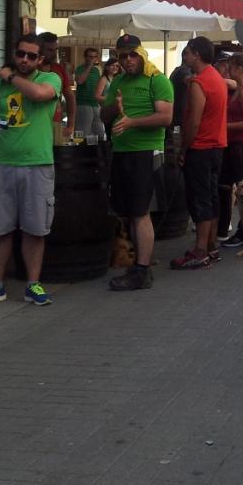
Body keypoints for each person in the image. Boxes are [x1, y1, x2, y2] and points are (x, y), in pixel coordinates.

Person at [0, 35, 62, 307]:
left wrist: (10, 77)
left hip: (37, 164)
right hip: (1, 163)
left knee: (35, 229)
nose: (24, 59)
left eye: (31, 56)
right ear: (15, 53)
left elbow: (38, 94)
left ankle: (33, 284)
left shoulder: (50, 79)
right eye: (21, 53)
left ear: (40, 60)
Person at [104, 35, 173, 292]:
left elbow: (166, 117)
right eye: (123, 56)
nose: (128, 60)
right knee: (130, 213)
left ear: (142, 54)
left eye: (132, 54)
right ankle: (138, 266)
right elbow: (104, 116)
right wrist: (115, 109)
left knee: (141, 212)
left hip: (146, 152)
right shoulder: (118, 81)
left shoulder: (157, 80)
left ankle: (143, 270)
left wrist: (132, 122)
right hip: (121, 151)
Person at [170, 36, 228, 270]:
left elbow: (193, 122)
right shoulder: (217, 78)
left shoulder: (200, 83)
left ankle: (200, 250)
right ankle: (211, 246)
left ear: (197, 54)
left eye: (186, 52)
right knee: (212, 197)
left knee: (199, 200)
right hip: (217, 147)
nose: (184, 57)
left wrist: (183, 148)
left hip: (200, 148)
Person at [217, 53, 243, 251]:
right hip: (234, 144)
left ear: (240, 69)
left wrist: (223, 126)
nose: (228, 69)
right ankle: (225, 229)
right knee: (227, 186)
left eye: (231, 66)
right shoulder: (239, 88)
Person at [36, 32, 76, 137]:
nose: (54, 54)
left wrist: (71, 124)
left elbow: (70, 97)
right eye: (50, 50)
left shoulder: (58, 69)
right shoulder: (32, 69)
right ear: (39, 49)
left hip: (55, 122)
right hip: (33, 122)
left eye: (56, 50)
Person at [74, 47, 105, 139]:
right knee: (82, 132)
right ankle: (79, 147)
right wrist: (89, 67)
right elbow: (80, 81)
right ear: (85, 57)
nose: (93, 59)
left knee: (99, 132)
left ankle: (94, 147)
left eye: (95, 57)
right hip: (83, 103)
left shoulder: (97, 70)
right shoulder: (80, 69)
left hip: (95, 104)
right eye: (90, 57)